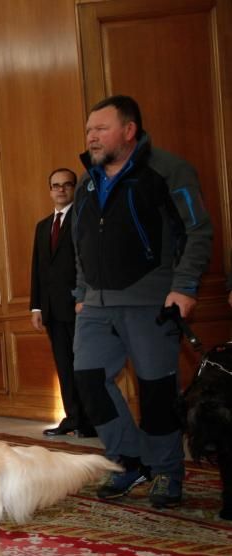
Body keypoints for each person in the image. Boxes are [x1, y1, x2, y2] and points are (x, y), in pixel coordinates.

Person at [72, 95, 212, 509]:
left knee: (155, 391)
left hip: (151, 299)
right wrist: (82, 293)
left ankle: (167, 471)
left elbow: (198, 230)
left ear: (129, 130)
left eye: (101, 129)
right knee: (88, 381)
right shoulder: (87, 182)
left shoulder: (168, 170)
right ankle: (129, 461)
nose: (92, 138)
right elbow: (82, 242)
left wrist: (184, 287)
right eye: (88, 131)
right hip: (95, 304)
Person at [30, 168, 95, 438]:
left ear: (74, 188)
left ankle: (90, 422)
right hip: (52, 310)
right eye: (55, 186)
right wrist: (36, 307)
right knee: (64, 367)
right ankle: (72, 418)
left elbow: (89, 263)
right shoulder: (43, 226)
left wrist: (85, 298)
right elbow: (37, 269)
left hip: (79, 306)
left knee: (85, 365)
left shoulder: (84, 220)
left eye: (66, 185)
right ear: (50, 190)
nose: (60, 190)